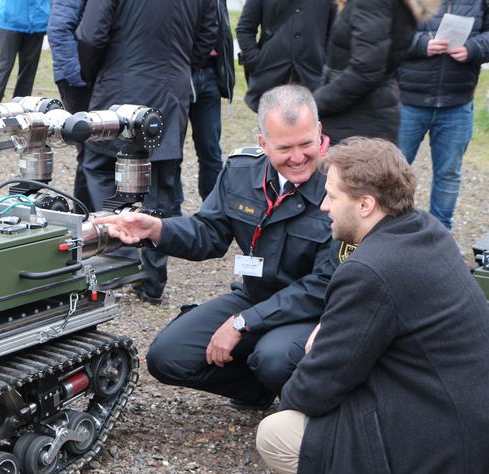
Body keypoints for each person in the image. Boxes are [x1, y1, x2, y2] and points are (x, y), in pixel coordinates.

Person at [257, 137, 489, 474]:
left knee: (276, 432)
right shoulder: (426, 231)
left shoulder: (369, 270)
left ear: (366, 204)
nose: (323, 206)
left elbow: (311, 391)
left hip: (450, 453)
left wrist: (313, 348)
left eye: (332, 196)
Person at [102, 85, 340, 409]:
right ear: (263, 143)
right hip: (257, 295)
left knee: (272, 357)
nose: (298, 157)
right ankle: (256, 389)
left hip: (313, 313)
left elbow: (323, 287)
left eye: (307, 144)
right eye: (285, 148)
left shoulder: (342, 186)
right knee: (167, 357)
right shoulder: (242, 171)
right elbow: (208, 233)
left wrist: (242, 323)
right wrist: (158, 229)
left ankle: (305, 409)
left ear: (319, 132)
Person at [76, 0, 217, 304]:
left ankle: (121, 253)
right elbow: (207, 36)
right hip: (168, 88)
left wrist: (97, 71)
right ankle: (152, 279)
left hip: (120, 85)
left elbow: (89, 35)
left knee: (100, 167)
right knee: (160, 185)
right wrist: (179, 66)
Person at [398, 0, 489, 229]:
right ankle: (390, 232)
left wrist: (474, 48)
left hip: (457, 103)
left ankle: (440, 235)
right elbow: (385, 30)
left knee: (448, 175)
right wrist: (422, 44)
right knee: (393, 172)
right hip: (407, 100)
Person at [313, 0, 439, 145]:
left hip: (356, 118)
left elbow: (366, 70)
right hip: (370, 111)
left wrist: (314, 104)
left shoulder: (372, 3)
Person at [236, 0, 335, 113]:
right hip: (270, 76)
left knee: (309, 128)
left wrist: (324, 64)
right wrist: (256, 61)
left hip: (313, 76)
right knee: (272, 128)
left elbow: (333, 34)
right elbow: (244, 29)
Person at [48, 0, 92, 210]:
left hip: (88, 75)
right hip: (78, 79)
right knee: (90, 148)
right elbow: (58, 28)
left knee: (94, 148)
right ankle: (85, 214)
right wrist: (78, 75)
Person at [190, 0, 235, 201]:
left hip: (208, 73)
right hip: (178, 71)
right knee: (169, 152)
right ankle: (169, 213)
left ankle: (213, 208)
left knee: (210, 150)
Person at [0, 0, 49, 105]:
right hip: (10, 20)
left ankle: (20, 109)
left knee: (28, 72)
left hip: (37, 21)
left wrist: (46, 10)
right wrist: (3, 7)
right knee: (4, 67)